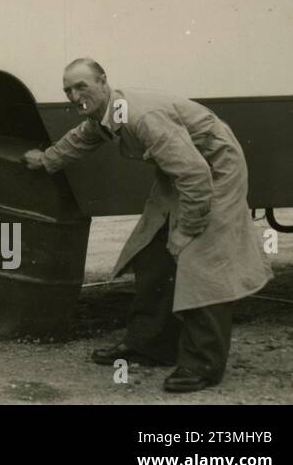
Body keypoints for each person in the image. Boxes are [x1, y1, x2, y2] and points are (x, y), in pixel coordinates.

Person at [23, 58, 271, 393]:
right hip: (183, 170)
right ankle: (150, 345)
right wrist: (47, 160)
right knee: (153, 250)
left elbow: (196, 176)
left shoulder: (142, 116)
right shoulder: (105, 112)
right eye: (68, 89)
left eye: (82, 85)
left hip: (214, 170)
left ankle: (203, 365)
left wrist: (186, 230)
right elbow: (83, 137)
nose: (74, 94)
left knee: (202, 262)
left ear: (103, 81)